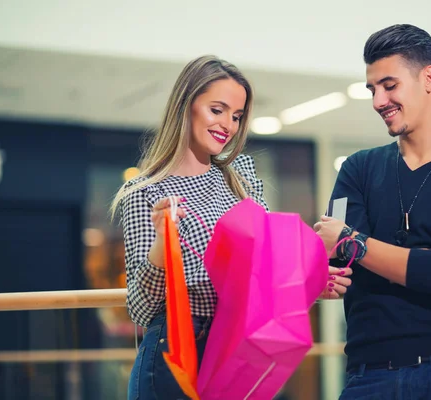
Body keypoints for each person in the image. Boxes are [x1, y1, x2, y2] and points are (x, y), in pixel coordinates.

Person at [110, 55, 352, 400]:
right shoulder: (146, 193)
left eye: (237, 116)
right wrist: (162, 247)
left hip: (239, 348)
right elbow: (142, 308)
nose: (229, 124)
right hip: (174, 354)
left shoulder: (241, 182)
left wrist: (308, 280)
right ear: (186, 106)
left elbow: (263, 275)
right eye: (217, 110)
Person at [314, 24, 431, 399]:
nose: (377, 100)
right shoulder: (356, 169)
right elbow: (336, 255)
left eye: (389, 85)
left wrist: (355, 242)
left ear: (429, 78)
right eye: (372, 89)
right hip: (368, 371)